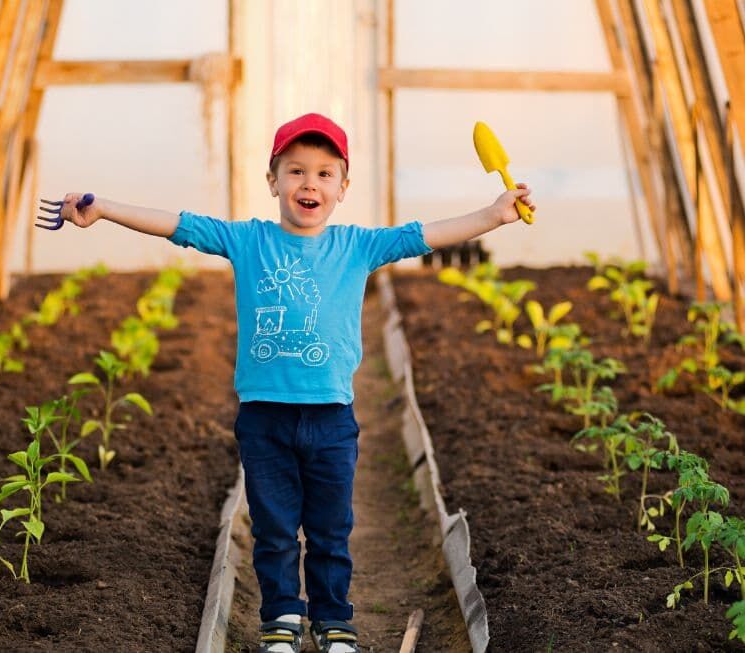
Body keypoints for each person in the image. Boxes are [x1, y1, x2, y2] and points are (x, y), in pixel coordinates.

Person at [51, 113, 535, 653]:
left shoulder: (357, 245)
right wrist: (105, 208)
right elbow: (176, 224)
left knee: (331, 532)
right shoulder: (248, 240)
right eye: (297, 171)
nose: (310, 183)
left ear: (343, 188)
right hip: (264, 419)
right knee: (275, 529)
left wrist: (494, 215)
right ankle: (280, 620)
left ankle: (335, 623)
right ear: (273, 180)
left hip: (331, 419)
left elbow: (426, 235)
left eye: (326, 174)